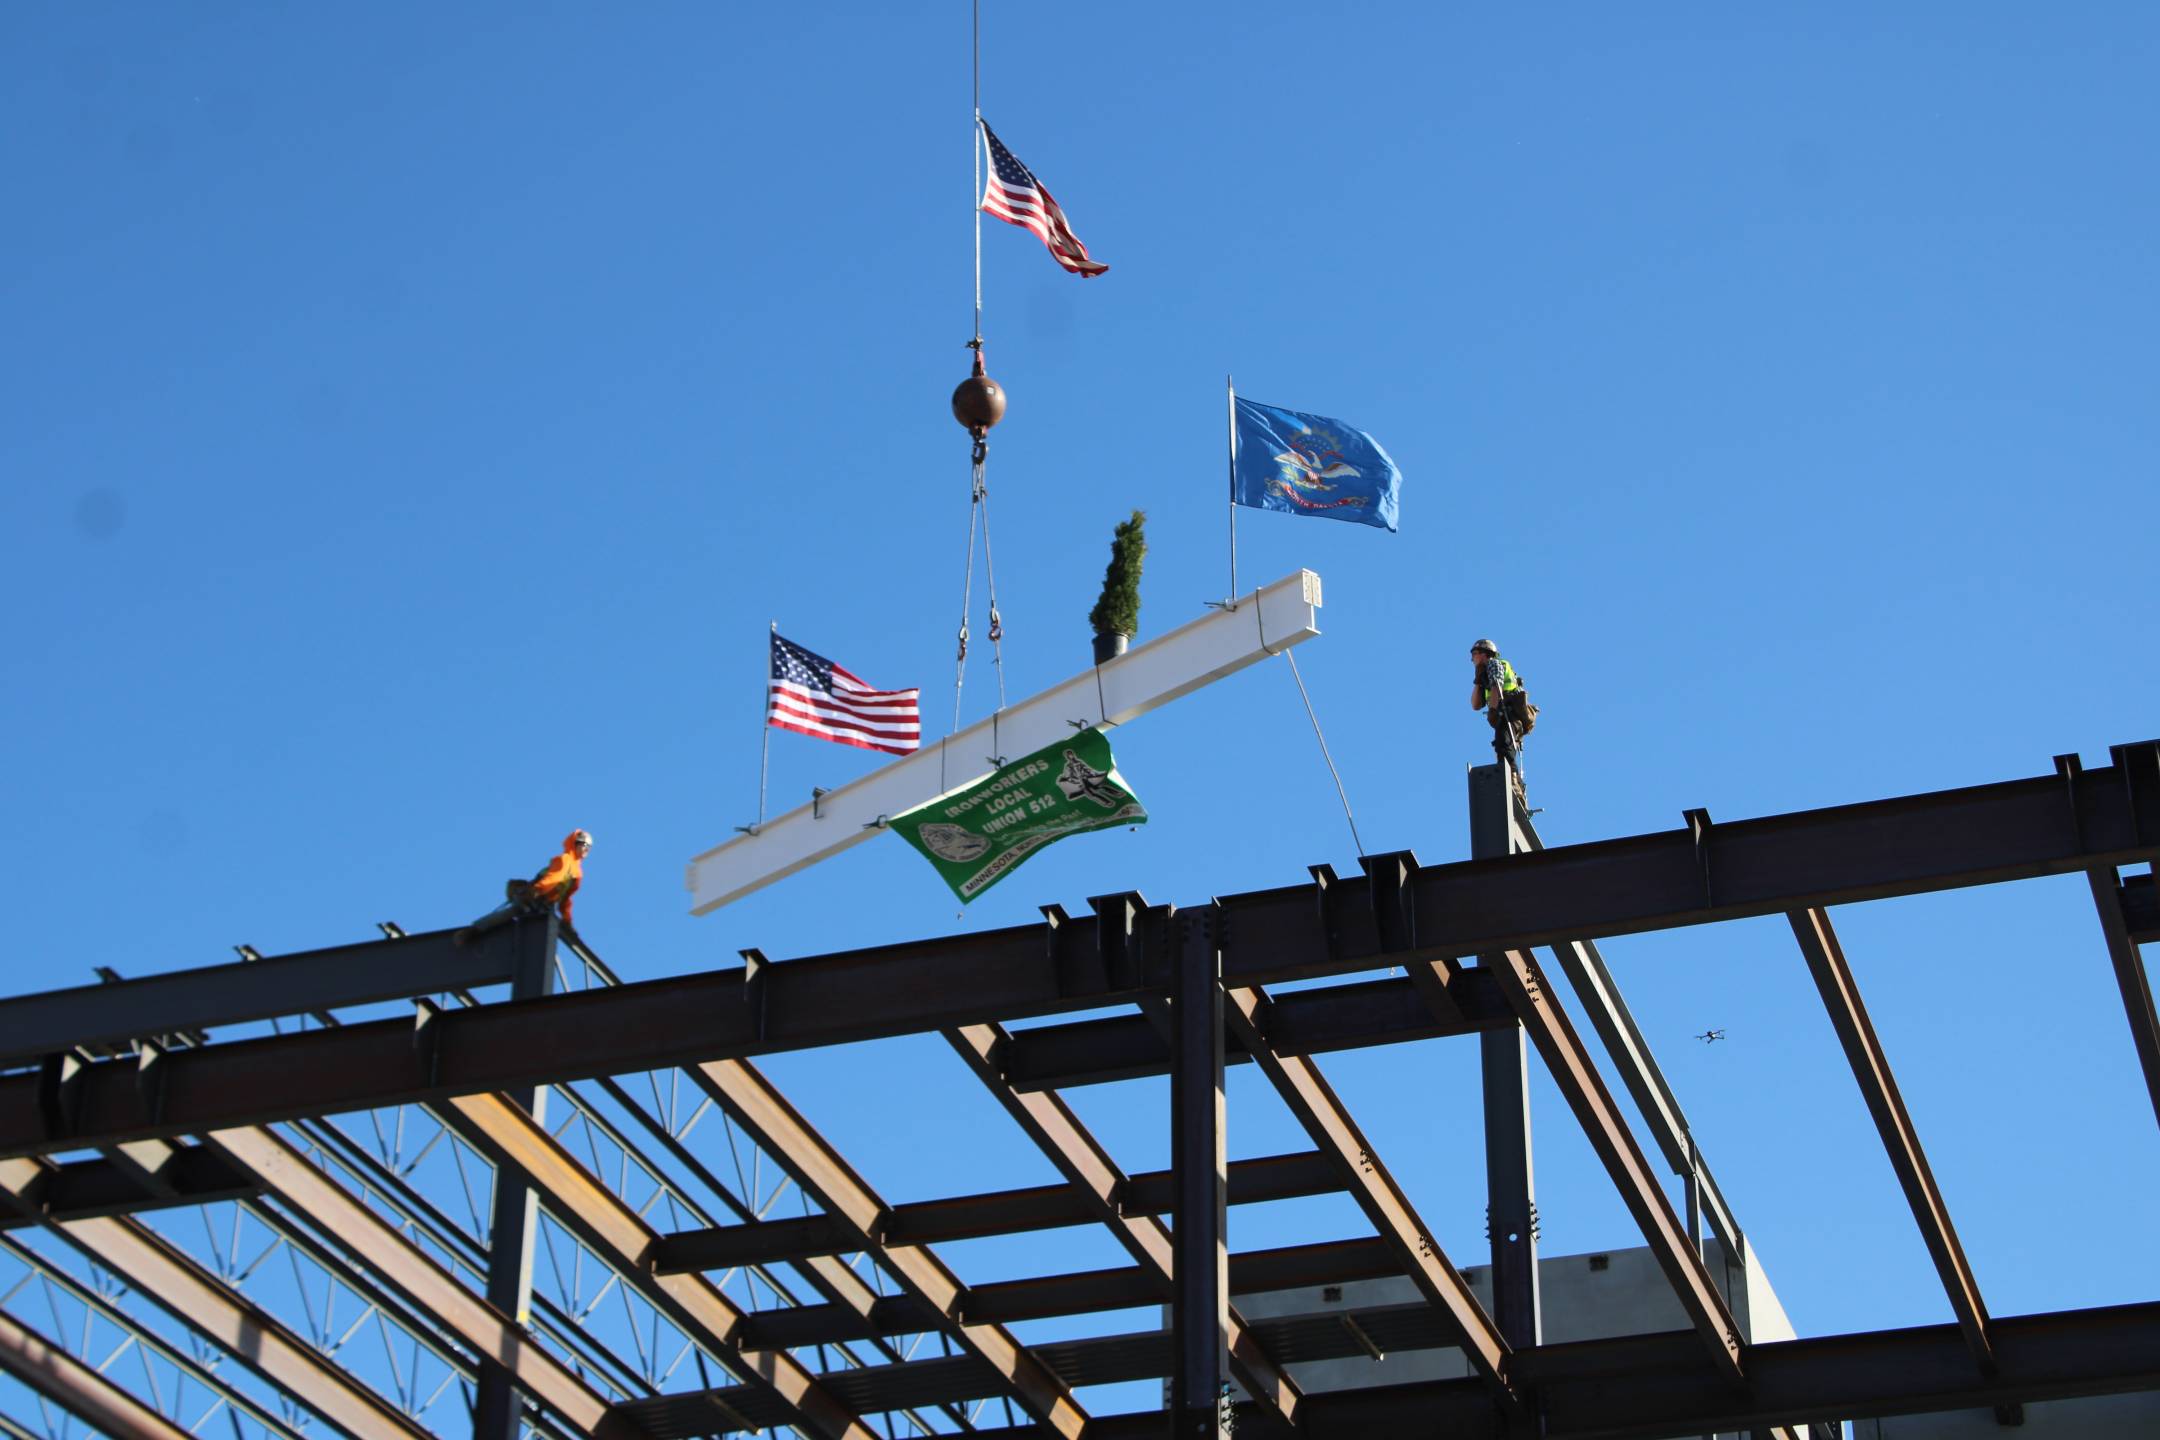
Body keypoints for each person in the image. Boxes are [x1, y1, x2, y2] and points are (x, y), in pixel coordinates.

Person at [459, 829, 592, 945]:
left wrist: (567, 921)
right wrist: (536, 890)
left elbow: (565, 900)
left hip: (544, 905)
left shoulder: (577, 874)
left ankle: (483, 934)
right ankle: (474, 930)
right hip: (534, 897)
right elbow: (553, 878)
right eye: (584, 844)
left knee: (531, 928)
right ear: (575, 844)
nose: (586, 848)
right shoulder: (565, 860)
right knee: (513, 912)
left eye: (589, 847)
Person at [1468, 639, 1534, 775]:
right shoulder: (1484, 674)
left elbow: (1496, 687)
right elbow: (1475, 705)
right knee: (1501, 743)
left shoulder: (1494, 664)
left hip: (1510, 713)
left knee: (1504, 743)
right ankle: (1508, 774)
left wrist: (1492, 710)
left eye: (1474, 654)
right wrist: (1478, 682)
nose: (1472, 659)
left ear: (1484, 654)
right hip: (1504, 713)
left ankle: (1511, 777)